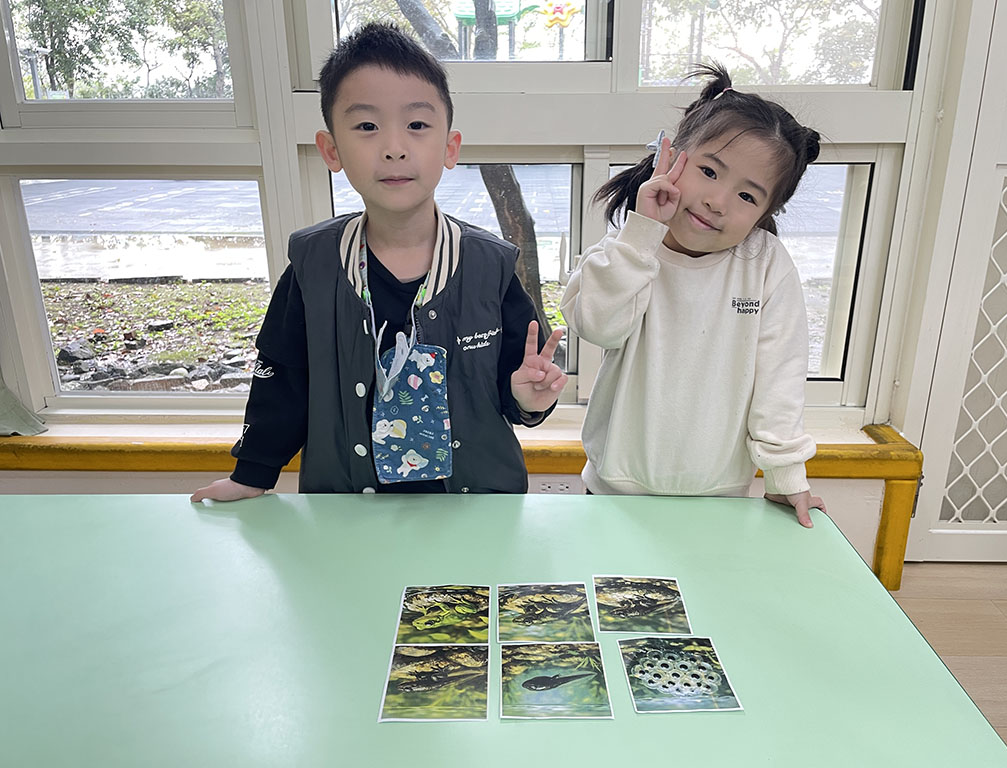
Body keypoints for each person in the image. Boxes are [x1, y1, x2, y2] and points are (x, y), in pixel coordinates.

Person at [192, 22, 565, 502]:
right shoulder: (312, 266)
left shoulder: (490, 266)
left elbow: (518, 389)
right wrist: (251, 475)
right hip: (348, 511)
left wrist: (529, 400)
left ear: (450, 147)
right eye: (367, 126)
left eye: (417, 125)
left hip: (474, 511)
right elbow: (282, 382)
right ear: (331, 150)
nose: (394, 147)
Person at [560, 63, 826, 527]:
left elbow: (779, 379)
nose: (717, 201)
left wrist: (785, 475)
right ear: (670, 157)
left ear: (767, 211)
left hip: (719, 497)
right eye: (708, 171)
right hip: (613, 494)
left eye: (748, 197)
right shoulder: (629, 246)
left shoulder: (765, 264)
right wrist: (641, 234)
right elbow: (597, 327)